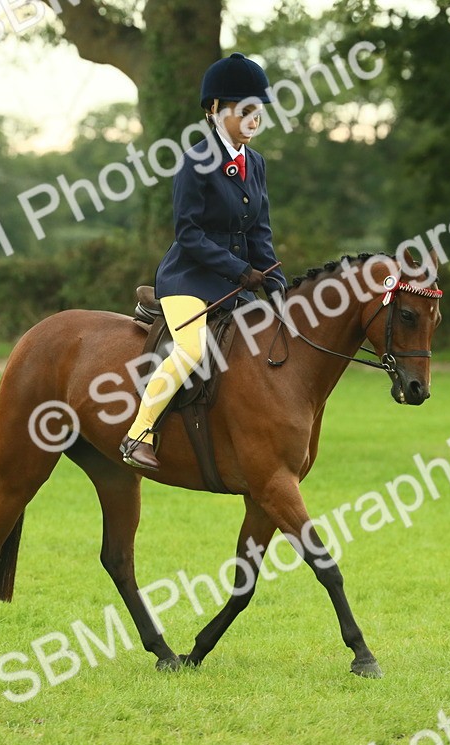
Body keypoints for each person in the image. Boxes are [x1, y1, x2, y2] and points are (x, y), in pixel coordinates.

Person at [120, 52, 287, 471]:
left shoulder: (256, 164)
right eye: (245, 110)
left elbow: (258, 231)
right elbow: (188, 233)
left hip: (235, 283)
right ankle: (137, 433)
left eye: (259, 111)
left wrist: (276, 280)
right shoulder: (195, 161)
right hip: (189, 279)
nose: (254, 119)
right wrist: (238, 270)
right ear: (215, 110)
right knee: (192, 350)